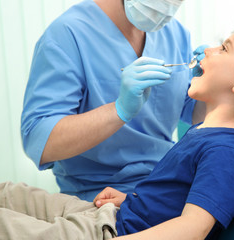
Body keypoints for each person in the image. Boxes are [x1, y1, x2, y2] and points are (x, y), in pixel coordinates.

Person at [0, 17, 234, 239]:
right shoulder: (206, 135)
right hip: (117, 213)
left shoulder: (229, 152)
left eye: (224, 47)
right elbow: (173, 195)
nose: (209, 50)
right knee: (7, 195)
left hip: (113, 232)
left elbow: (192, 228)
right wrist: (131, 199)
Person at [21, 0, 206, 201]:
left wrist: (213, 83)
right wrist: (118, 110)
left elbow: (191, 109)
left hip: (164, 187)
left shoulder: (175, 34)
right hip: (98, 198)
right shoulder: (68, 34)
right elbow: (39, 140)